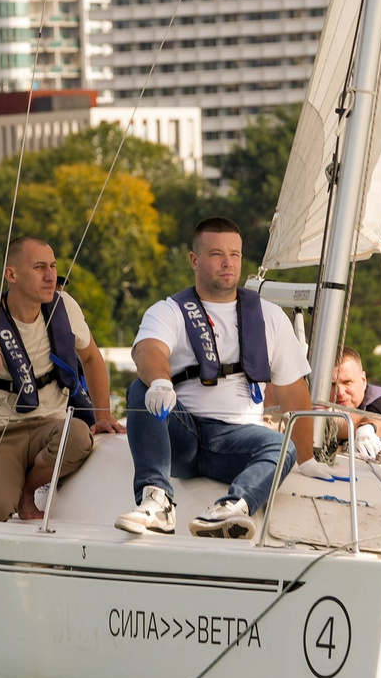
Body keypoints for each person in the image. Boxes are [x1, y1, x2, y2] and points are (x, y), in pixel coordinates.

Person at [119, 216, 311, 539]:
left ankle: (232, 508)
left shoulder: (270, 317)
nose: (228, 263)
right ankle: (157, 501)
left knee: (282, 446)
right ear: (195, 260)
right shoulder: (169, 311)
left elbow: (295, 392)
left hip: (238, 440)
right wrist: (160, 381)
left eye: (234, 255)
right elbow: (148, 350)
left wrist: (307, 463)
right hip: (184, 433)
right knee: (141, 388)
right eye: (217, 254)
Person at [0, 235, 119, 522]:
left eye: (53, 266)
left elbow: (92, 358)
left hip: (50, 425)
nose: (50, 276)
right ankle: (1, 489)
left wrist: (103, 415)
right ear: (12, 274)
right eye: (39, 267)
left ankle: (26, 491)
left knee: (79, 435)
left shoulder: (64, 307)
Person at [318, 346, 381, 462]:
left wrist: (379, 454)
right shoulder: (316, 410)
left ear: (363, 380)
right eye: (332, 384)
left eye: (347, 382)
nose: (340, 392)